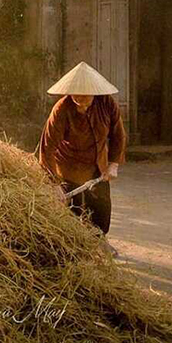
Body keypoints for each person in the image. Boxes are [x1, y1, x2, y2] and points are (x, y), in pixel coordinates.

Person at [37, 62, 127, 236]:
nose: (81, 103)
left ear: (95, 93)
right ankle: (75, 246)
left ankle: (99, 242)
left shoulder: (107, 104)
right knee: (72, 211)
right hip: (68, 167)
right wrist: (53, 183)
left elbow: (118, 135)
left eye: (85, 98)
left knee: (101, 211)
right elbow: (47, 148)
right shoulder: (61, 110)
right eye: (76, 97)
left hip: (97, 166)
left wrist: (113, 164)